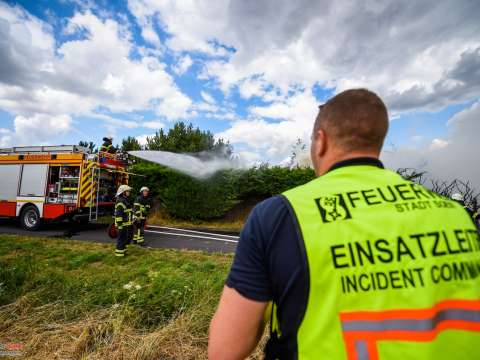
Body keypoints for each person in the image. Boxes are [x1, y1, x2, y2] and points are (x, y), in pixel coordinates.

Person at [208, 89, 480, 359]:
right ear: (377, 142)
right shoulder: (457, 214)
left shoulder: (278, 215)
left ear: (321, 141)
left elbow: (225, 351)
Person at [114, 185, 133, 257]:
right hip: (122, 224)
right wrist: (120, 225)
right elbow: (118, 215)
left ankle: (123, 251)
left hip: (125, 224)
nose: (129, 192)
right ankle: (119, 254)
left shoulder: (125, 200)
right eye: (127, 191)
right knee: (121, 239)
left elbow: (128, 211)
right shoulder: (120, 201)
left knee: (124, 239)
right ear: (123, 192)